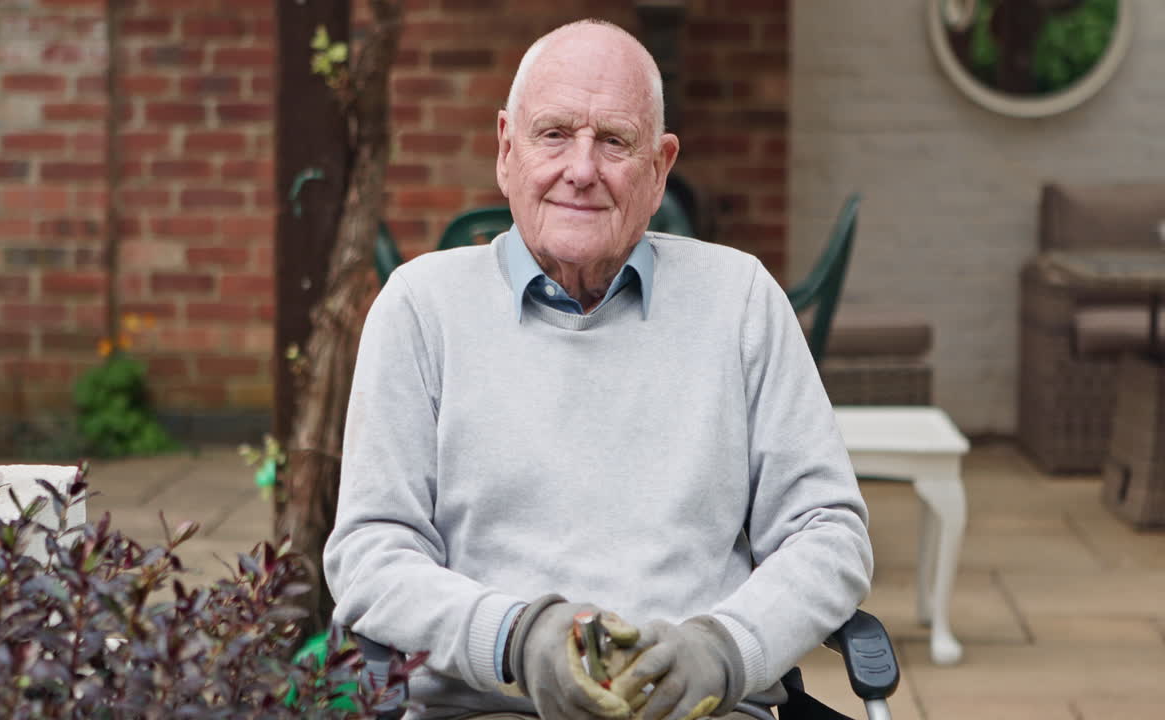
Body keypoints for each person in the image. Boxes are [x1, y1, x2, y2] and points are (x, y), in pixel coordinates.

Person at [324, 18, 872, 720]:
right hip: (486, 709)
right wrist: (516, 639)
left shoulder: (740, 300)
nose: (581, 170)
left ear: (660, 167)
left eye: (614, 140)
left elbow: (828, 532)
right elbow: (371, 553)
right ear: (506, 149)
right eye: (554, 134)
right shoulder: (421, 307)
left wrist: (723, 650)